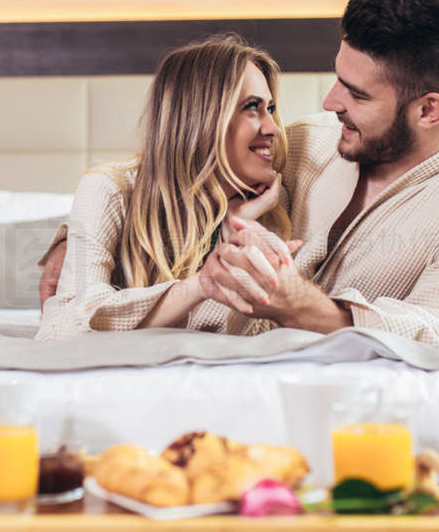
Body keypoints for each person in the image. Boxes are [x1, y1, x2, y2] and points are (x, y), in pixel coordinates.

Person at [40, 0, 439, 347]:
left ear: (429, 109)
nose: (329, 103)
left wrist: (307, 308)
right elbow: (178, 165)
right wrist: (81, 233)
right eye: (337, 78)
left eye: (357, 94)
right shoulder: (306, 143)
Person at [35, 34, 297, 341]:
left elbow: (259, 332)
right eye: (252, 108)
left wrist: (236, 229)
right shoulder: (110, 190)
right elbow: (61, 329)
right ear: (202, 119)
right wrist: (200, 285)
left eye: (270, 109)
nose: (273, 129)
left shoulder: (272, 203)